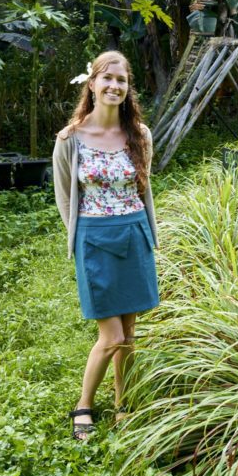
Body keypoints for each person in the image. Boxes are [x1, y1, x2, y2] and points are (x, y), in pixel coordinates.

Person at [52, 50, 159, 441]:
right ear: (92, 84)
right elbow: (65, 199)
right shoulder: (70, 139)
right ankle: (83, 405)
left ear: (128, 88)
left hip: (134, 235)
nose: (115, 86)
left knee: (129, 337)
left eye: (122, 80)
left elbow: (144, 189)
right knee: (111, 336)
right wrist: (78, 243)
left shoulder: (140, 135)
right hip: (94, 240)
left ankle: (123, 404)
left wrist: (150, 232)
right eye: (107, 78)